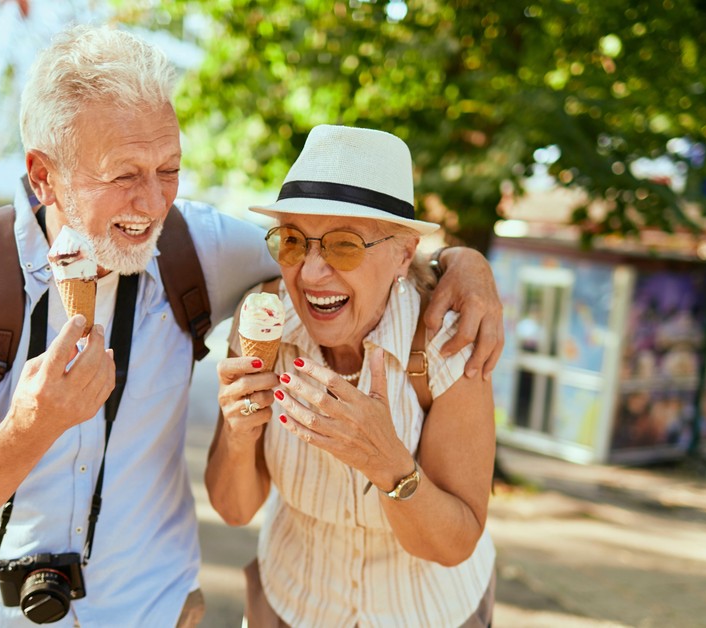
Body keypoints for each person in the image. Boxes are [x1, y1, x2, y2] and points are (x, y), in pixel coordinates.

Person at [0, 25, 504, 627]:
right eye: (123, 175)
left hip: (152, 608)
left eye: (169, 169)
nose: (154, 202)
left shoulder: (197, 248)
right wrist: (34, 425)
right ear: (43, 175)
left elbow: (344, 262)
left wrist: (468, 267)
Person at [207, 125, 497, 627]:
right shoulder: (264, 322)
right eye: (294, 241)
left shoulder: (448, 343)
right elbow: (235, 511)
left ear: (404, 254)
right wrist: (238, 436)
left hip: (427, 613)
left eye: (344, 246)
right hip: (293, 603)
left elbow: (454, 545)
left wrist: (389, 465)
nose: (312, 273)